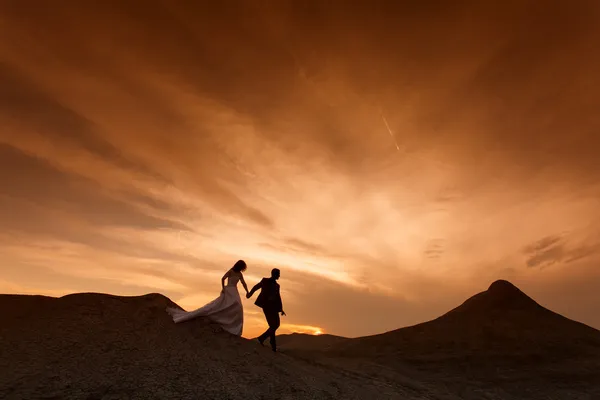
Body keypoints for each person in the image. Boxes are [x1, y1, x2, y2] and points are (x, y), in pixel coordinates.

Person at [166, 260, 249, 336]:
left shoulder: (239, 274)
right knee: (225, 305)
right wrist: (223, 288)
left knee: (238, 306)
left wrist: (247, 291)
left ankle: (233, 326)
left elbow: (243, 283)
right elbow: (223, 278)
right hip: (228, 290)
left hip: (234, 291)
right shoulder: (231, 271)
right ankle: (224, 322)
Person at [246, 268, 286, 352]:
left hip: (274, 307)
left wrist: (281, 309)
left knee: (276, 325)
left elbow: (278, 297)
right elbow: (256, 287)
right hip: (267, 306)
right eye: (278, 274)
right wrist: (250, 294)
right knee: (272, 325)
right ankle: (273, 345)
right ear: (273, 274)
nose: (279, 276)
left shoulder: (277, 285)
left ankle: (262, 338)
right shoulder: (265, 281)